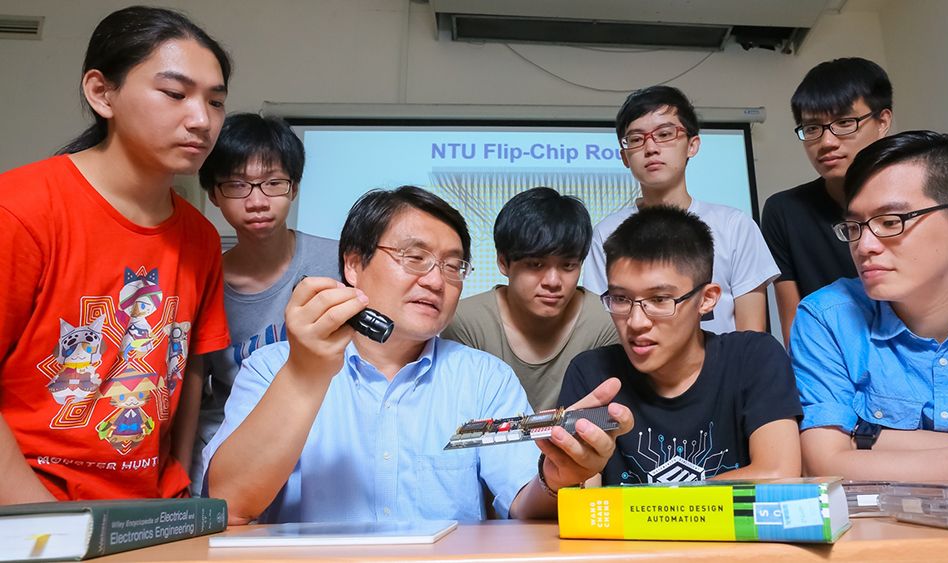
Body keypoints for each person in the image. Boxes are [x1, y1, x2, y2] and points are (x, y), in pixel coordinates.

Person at [202, 186, 634, 524]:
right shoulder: (274, 366)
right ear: (353, 264)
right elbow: (229, 505)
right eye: (414, 258)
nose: (436, 281)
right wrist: (304, 375)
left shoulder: (483, 378)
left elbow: (524, 502)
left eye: (452, 266)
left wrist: (556, 479)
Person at [0, 6, 231, 504]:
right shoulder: (19, 209)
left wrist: (176, 488)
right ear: (102, 93)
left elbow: (188, 367)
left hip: (149, 512)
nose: (202, 120)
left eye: (215, 102)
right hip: (33, 508)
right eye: (175, 94)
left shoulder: (200, 236)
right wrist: (41, 521)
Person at [793, 131, 948, 480]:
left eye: (891, 222)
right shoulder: (827, 317)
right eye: (855, 227)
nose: (864, 246)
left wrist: (868, 439)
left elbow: (843, 458)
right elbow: (825, 465)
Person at [562, 205, 801, 485]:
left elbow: (778, 474)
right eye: (621, 299)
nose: (636, 322)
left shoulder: (754, 358)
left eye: (660, 300)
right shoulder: (592, 374)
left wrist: (658, 503)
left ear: (707, 299)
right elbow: (581, 495)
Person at [188, 113, 341, 495]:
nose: (257, 201)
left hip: (326, 442)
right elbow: (193, 384)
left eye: (273, 183)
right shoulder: (201, 282)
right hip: (236, 449)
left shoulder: (339, 263)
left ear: (294, 188)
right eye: (237, 185)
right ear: (214, 194)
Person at [582, 86, 778, 334]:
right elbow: (606, 328)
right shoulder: (606, 233)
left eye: (664, 134)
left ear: (692, 145)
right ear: (624, 157)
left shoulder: (735, 227)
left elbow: (752, 336)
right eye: (636, 139)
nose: (651, 148)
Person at [442, 187, 618, 411]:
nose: (553, 281)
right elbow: (460, 412)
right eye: (536, 265)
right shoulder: (466, 322)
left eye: (568, 266)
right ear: (503, 263)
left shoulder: (605, 322)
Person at [761, 58, 894, 344]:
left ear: (882, 121)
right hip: (828, 360)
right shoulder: (783, 211)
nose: (827, 142)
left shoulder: (927, 195)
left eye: (844, 123)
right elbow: (795, 329)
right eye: (812, 128)